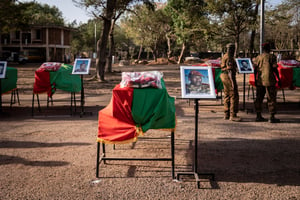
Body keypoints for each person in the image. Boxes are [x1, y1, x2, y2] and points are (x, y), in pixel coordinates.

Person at [253, 43, 281, 123]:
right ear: (268, 48)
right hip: (270, 81)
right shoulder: (272, 57)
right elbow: (275, 68)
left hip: (260, 81)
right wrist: (278, 79)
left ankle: (258, 116)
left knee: (259, 98)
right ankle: (271, 116)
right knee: (271, 98)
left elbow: (255, 70)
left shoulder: (258, 58)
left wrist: (255, 79)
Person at [220, 43, 241, 122]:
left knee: (227, 95)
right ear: (232, 49)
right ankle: (232, 115)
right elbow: (230, 71)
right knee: (233, 95)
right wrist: (232, 82)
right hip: (228, 77)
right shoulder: (229, 57)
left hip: (224, 76)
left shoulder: (225, 56)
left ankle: (226, 114)